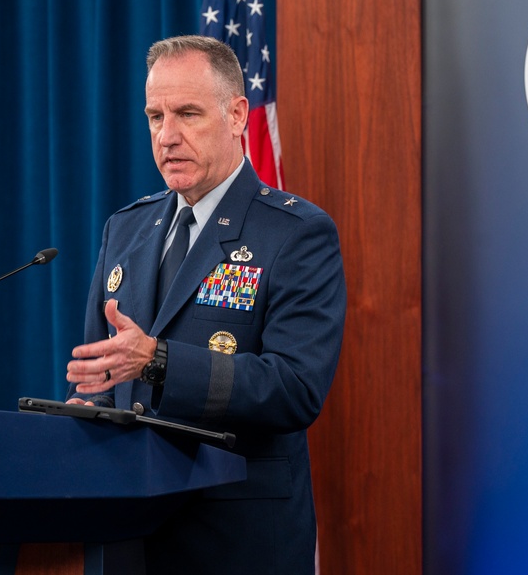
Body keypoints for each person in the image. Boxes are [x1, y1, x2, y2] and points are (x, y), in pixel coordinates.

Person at [66, 35, 346, 574]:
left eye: (187, 114)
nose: (166, 136)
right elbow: (101, 378)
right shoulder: (125, 229)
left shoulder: (294, 233)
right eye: (155, 116)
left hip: (234, 543)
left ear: (238, 114)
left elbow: (294, 389)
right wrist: (86, 414)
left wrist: (160, 362)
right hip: (128, 537)